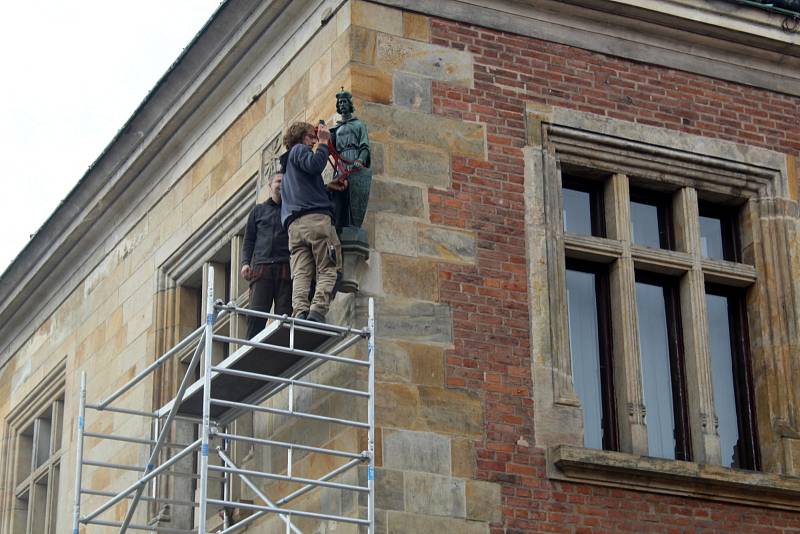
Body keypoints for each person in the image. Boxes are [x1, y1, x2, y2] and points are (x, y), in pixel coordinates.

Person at [280, 121, 344, 323]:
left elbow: (304, 191)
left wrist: (326, 189)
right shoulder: (299, 150)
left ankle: (299, 312)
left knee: (301, 272)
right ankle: (317, 311)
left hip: (294, 227)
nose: (314, 140)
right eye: (311, 136)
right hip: (315, 221)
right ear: (300, 137)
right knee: (329, 267)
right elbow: (315, 165)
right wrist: (324, 142)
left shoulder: (287, 171)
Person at [240, 172, 291, 338]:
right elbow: (249, 240)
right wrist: (245, 263)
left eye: (285, 181)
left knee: (284, 316)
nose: (281, 184)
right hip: (262, 266)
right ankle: (250, 351)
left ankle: (282, 354)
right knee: (256, 314)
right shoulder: (258, 211)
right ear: (270, 185)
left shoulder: (291, 210)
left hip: (285, 266)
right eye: (278, 181)